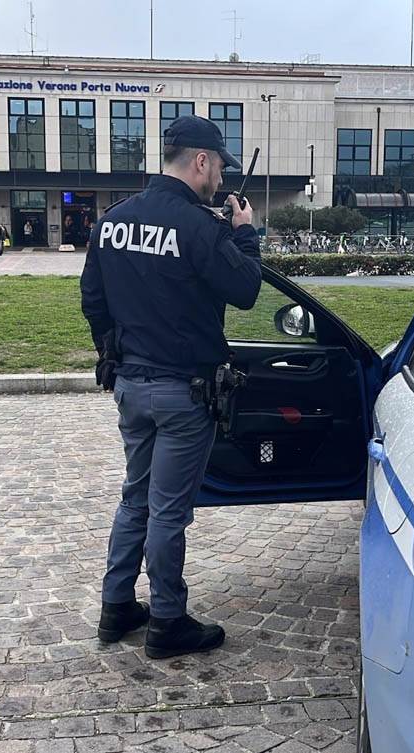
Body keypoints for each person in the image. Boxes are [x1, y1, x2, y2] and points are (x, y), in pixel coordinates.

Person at [80, 115, 260, 660]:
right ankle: (166, 620)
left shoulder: (111, 221)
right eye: (219, 167)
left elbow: (93, 301)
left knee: (135, 498)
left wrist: (116, 352)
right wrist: (244, 232)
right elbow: (247, 289)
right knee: (167, 511)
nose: (220, 179)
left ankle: (116, 609)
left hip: (131, 387)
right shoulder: (200, 227)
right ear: (200, 160)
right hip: (185, 394)